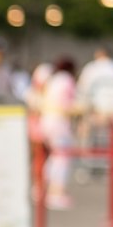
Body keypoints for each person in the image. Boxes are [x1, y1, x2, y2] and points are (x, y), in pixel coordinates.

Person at [39, 57, 79, 208]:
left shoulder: (53, 80)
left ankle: (44, 188)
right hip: (59, 123)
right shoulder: (67, 80)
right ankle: (56, 193)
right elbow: (68, 104)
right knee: (62, 159)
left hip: (47, 121)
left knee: (53, 156)